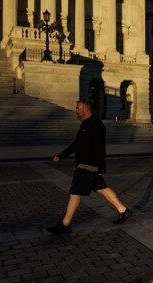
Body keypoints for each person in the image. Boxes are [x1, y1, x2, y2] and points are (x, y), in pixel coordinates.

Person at [47, 99, 131, 234]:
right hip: (86, 165)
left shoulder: (96, 125)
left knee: (75, 193)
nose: (76, 110)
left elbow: (100, 148)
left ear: (85, 109)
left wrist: (101, 168)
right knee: (102, 189)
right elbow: (76, 144)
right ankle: (123, 210)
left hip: (88, 166)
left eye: (77, 108)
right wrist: (61, 156)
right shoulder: (84, 124)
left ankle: (65, 224)